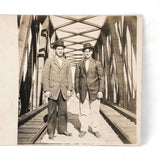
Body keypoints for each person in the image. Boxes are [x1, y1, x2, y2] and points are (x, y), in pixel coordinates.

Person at [42, 40, 73, 140]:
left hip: (63, 91)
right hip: (52, 90)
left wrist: (70, 89)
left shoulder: (67, 62)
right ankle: (51, 131)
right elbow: (45, 76)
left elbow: (69, 76)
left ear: (64, 50)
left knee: (63, 111)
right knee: (51, 112)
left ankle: (62, 129)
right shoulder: (49, 61)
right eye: (58, 49)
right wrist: (46, 90)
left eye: (62, 49)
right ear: (55, 50)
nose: (60, 51)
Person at [75, 43, 105, 138]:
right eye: (85, 51)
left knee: (95, 111)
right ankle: (83, 129)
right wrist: (77, 92)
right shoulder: (79, 64)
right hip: (83, 91)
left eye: (89, 51)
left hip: (94, 91)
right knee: (83, 111)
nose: (87, 53)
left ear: (91, 52)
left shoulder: (97, 63)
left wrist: (100, 90)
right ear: (83, 53)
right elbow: (76, 79)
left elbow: (101, 78)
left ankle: (95, 129)